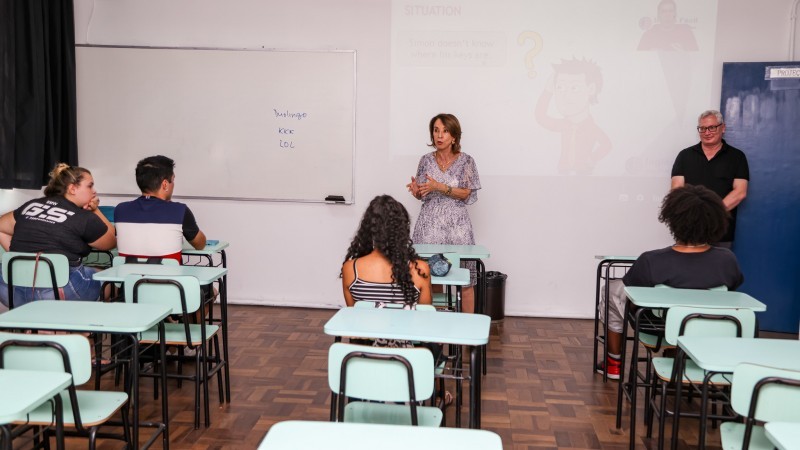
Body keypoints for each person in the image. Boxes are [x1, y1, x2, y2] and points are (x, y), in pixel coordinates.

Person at [597, 185, 744, 380]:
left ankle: (613, 363)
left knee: (612, 291)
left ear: (672, 221)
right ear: (715, 220)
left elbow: (631, 300)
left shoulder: (652, 260)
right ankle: (678, 355)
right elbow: (732, 292)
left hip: (660, 330)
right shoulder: (728, 260)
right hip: (711, 330)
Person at [0, 164, 116, 307]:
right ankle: (80, 328)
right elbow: (111, 242)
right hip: (61, 292)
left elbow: (1, 227)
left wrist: (18, 257)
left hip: (12, 289)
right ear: (72, 188)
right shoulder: (84, 217)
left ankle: (39, 322)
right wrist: (95, 210)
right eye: (90, 186)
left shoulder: (31, 205)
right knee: (108, 282)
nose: (94, 191)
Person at [406, 113, 481, 313]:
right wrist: (416, 191)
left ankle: (467, 332)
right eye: (436, 130)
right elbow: (424, 193)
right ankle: (435, 332)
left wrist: (440, 186)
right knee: (431, 279)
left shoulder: (467, 161)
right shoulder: (425, 160)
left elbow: (467, 193)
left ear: (454, 137)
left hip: (458, 227)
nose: (440, 135)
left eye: (445, 131)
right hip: (429, 226)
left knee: (466, 279)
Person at [671, 110, 749, 247]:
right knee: (687, 268)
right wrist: (695, 216)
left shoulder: (737, 157)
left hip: (721, 231)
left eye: (712, 127)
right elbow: (676, 191)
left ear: (722, 128)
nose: (707, 132)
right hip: (689, 229)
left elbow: (740, 192)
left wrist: (712, 214)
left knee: (718, 268)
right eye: (702, 128)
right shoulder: (684, 155)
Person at [341, 195, 432, 310]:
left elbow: (353, 315)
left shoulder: (350, 269)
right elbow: (425, 317)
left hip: (365, 328)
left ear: (369, 229)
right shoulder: (420, 270)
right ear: (402, 229)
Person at [114, 155, 207, 262]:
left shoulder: (120, 210)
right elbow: (200, 244)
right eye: (172, 180)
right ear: (165, 185)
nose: (173, 185)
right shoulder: (180, 211)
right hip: (169, 278)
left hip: (129, 278)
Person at [535, 58, 612, 175]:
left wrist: (592, 159)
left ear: (591, 89)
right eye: (559, 87)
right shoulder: (564, 125)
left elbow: (606, 144)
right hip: (563, 173)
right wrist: (547, 91)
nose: (565, 96)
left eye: (574, 88)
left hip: (583, 174)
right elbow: (540, 117)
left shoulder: (591, 128)